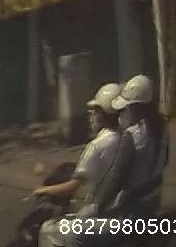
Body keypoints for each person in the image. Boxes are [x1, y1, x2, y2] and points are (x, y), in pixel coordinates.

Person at [37, 83, 123, 247]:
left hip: (104, 214)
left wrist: (43, 190)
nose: (91, 117)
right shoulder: (125, 136)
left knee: (48, 229)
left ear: (102, 115)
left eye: (94, 112)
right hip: (121, 208)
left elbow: (71, 188)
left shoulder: (97, 145)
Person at [94, 75, 170, 223]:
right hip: (154, 200)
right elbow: (166, 160)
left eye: (125, 109)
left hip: (132, 209)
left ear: (135, 108)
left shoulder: (133, 134)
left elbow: (117, 176)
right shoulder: (162, 127)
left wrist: (99, 206)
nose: (123, 113)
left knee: (77, 228)